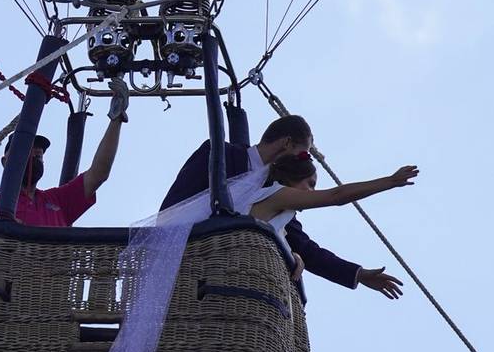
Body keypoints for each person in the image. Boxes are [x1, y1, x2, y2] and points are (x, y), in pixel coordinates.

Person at [160, 114, 405, 297]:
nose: (303, 159)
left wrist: (357, 274)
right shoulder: (220, 155)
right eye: (303, 153)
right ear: (287, 143)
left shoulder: (277, 198)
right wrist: (390, 181)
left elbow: (308, 250)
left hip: (228, 278)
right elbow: (177, 206)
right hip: (190, 255)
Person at [0, 77, 130, 259]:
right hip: (1, 285)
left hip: (46, 287)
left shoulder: (58, 201)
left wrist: (116, 119)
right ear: (5, 161)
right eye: (26, 151)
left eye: (39, 154)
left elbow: (99, 173)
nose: (34, 155)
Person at [250, 152, 417, 298]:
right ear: (290, 179)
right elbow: (336, 196)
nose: (313, 192)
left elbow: (310, 253)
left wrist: (359, 274)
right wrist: (390, 181)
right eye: (310, 184)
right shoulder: (277, 194)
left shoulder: (285, 220)